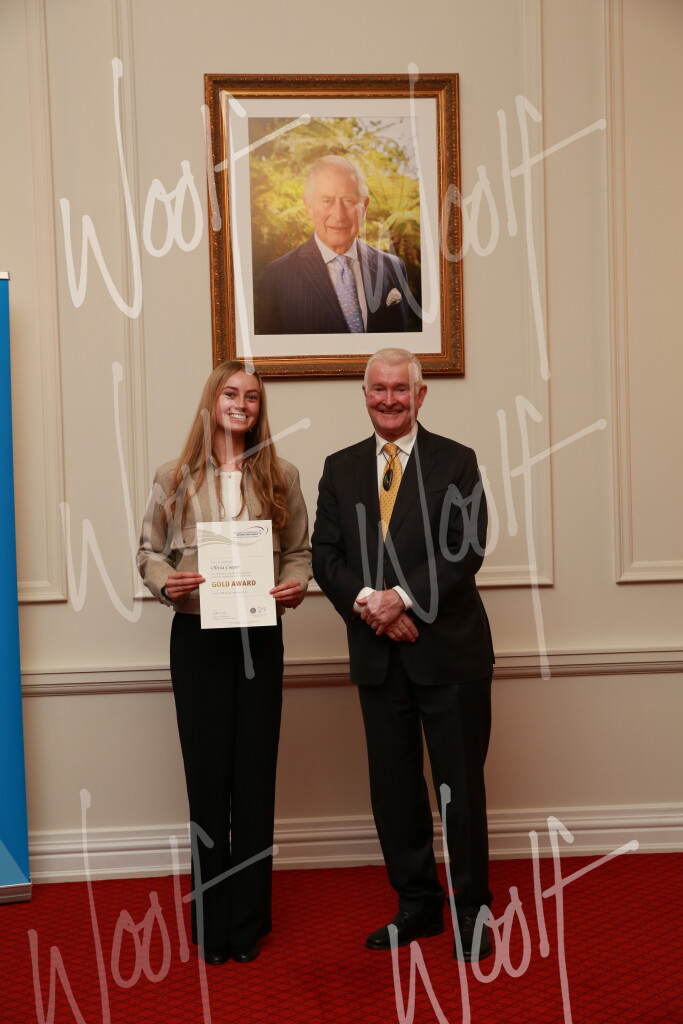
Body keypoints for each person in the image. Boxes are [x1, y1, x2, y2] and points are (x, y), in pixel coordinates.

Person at [311, 347, 494, 961]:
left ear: (420, 395)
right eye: (378, 389)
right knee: (394, 790)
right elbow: (325, 555)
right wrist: (374, 605)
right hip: (378, 654)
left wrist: (403, 599)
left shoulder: (457, 461)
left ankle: (471, 910)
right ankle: (418, 904)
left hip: (451, 656)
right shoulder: (339, 468)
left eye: (400, 389)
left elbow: (465, 547)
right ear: (364, 395)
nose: (388, 399)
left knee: (458, 788)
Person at [137, 360, 311, 966]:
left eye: (252, 397)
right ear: (212, 400)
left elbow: (299, 553)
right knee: (207, 781)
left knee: (255, 779)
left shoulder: (282, 476)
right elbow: (148, 552)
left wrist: (296, 585)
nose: (242, 404)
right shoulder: (174, 476)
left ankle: (248, 923)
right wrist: (167, 584)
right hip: (198, 640)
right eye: (231, 393)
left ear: (260, 409)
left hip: (259, 637)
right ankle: (213, 924)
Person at [255, 155, 414, 335]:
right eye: (327, 201)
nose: (339, 215)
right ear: (309, 206)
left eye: (349, 201)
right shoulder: (277, 276)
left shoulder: (393, 267)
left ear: (364, 206)